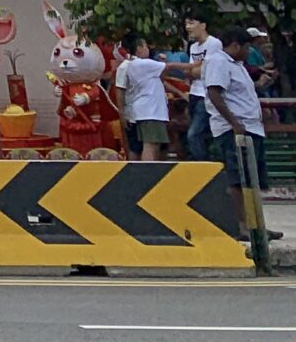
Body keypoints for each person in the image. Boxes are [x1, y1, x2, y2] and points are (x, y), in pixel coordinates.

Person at [197, 16, 277, 238]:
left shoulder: (237, 66)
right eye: (246, 47)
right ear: (234, 45)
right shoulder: (219, 61)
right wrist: (234, 122)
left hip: (251, 127)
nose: (248, 52)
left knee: (252, 179)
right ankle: (241, 224)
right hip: (234, 129)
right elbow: (214, 92)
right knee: (238, 179)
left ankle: (255, 224)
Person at [110, 32, 172, 161]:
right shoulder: (125, 66)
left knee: (155, 145)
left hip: (142, 111)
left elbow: (161, 78)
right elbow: (120, 90)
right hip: (134, 113)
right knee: (138, 146)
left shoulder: (145, 64)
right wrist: (122, 113)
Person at [178, 17, 216, 161]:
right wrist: (195, 69)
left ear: (203, 24)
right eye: (186, 23)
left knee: (194, 134)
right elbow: (189, 72)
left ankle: (204, 166)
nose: (188, 27)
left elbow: (203, 71)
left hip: (206, 94)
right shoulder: (193, 47)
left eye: (191, 23)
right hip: (193, 93)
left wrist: (194, 70)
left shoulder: (213, 43)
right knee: (197, 134)